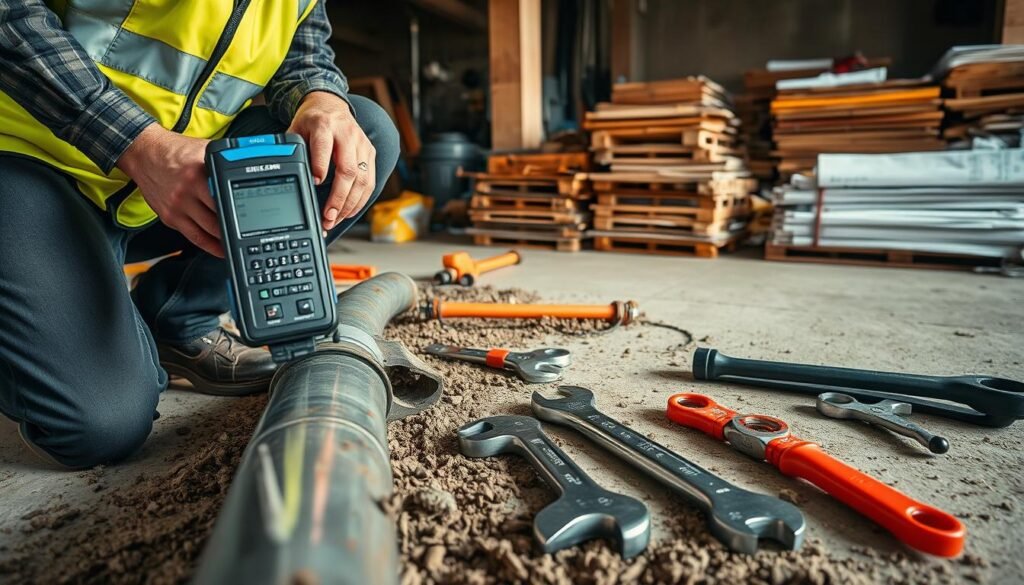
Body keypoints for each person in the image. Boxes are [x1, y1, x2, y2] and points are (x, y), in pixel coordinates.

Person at [0, 1, 400, 469]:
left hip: (165, 187)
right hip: (33, 158)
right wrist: (137, 143)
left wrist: (321, 96)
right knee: (98, 427)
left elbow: (304, 51)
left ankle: (176, 318)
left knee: (356, 138)